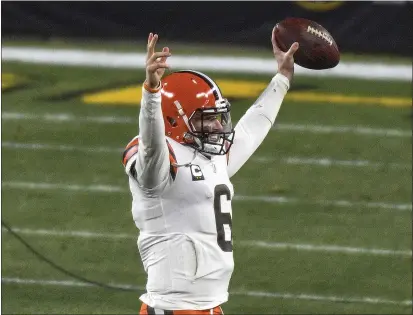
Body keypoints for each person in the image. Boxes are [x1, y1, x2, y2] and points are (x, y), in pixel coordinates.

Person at [122, 30, 298, 315]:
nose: (217, 127)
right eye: (206, 120)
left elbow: (252, 130)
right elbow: (152, 150)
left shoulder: (210, 155)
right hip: (172, 307)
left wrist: (282, 79)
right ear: (174, 120)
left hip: (210, 306)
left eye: (217, 118)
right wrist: (152, 95)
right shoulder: (158, 159)